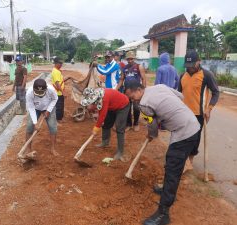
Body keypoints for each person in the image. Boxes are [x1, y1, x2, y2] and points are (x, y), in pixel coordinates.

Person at [125, 81, 201, 225]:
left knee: (173, 169)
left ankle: (163, 213)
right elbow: (180, 97)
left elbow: (152, 126)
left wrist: (151, 135)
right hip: (193, 124)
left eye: (133, 96)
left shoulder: (144, 104)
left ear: (139, 89)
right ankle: (165, 189)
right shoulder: (159, 87)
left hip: (184, 132)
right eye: (130, 97)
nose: (132, 100)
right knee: (171, 162)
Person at [178, 50, 219, 170]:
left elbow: (216, 92)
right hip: (184, 113)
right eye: (187, 66)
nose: (189, 68)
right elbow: (178, 94)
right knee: (183, 136)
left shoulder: (207, 75)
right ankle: (184, 160)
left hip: (199, 114)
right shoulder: (182, 76)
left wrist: (209, 109)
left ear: (198, 62)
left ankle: (189, 162)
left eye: (192, 66)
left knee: (194, 139)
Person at [81, 87, 130, 162]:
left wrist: (96, 128)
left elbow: (102, 114)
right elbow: (101, 111)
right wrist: (99, 122)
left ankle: (120, 152)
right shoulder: (97, 95)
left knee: (119, 128)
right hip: (112, 106)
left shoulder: (104, 98)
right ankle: (105, 142)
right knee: (106, 123)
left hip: (123, 106)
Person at [26, 79, 59, 156]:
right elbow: (31, 108)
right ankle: (28, 149)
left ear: (46, 89)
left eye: (41, 93)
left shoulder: (51, 89)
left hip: (48, 107)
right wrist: (35, 122)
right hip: (35, 109)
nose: (39, 94)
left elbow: (55, 99)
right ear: (34, 89)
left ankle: (53, 148)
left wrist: (48, 110)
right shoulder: (29, 93)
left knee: (53, 127)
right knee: (29, 126)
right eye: (37, 93)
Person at [117, 51, 146, 132]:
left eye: (131, 59)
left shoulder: (139, 67)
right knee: (127, 108)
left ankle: (136, 123)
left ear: (134, 58)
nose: (130, 60)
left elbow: (144, 79)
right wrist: (116, 89)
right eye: (128, 59)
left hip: (136, 92)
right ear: (126, 59)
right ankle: (129, 124)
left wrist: (144, 90)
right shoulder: (124, 68)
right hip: (127, 92)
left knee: (136, 108)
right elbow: (121, 79)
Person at [51, 57, 70, 123]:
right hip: (58, 93)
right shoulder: (56, 72)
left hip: (58, 92)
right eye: (60, 63)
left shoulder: (57, 71)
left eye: (62, 63)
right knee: (59, 106)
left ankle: (60, 117)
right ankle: (58, 119)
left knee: (60, 105)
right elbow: (57, 83)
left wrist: (67, 78)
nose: (61, 64)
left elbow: (60, 81)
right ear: (56, 63)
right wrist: (62, 92)